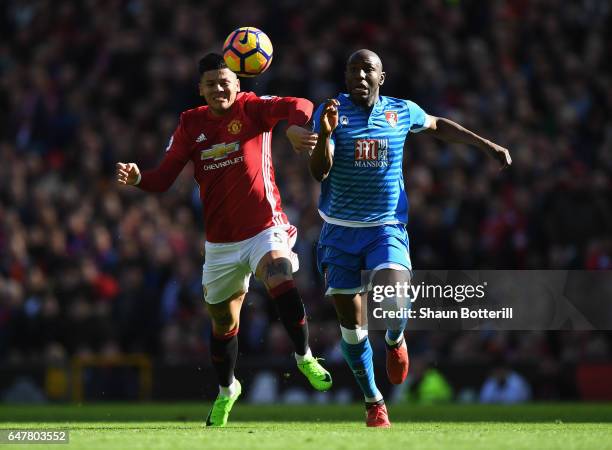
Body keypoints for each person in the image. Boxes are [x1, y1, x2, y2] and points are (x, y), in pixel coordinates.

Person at [116, 53, 331, 427]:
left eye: (225, 82)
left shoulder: (251, 109)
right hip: (221, 245)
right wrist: (138, 179)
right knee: (221, 323)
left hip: (265, 226)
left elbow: (301, 103)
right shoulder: (190, 124)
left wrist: (298, 126)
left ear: (238, 84)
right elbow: (163, 179)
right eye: (211, 83)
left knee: (279, 272)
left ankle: (304, 356)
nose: (219, 89)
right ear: (201, 89)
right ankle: (227, 389)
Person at [309, 49, 511, 427]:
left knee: (395, 292)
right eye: (352, 69)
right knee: (351, 328)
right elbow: (320, 172)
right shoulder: (331, 111)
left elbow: (438, 125)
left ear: (381, 77)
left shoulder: (401, 111)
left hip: (386, 226)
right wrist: (325, 134)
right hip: (338, 231)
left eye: (367, 69)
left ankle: (395, 340)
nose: (359, 75)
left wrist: (485, 145)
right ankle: (373, 400)